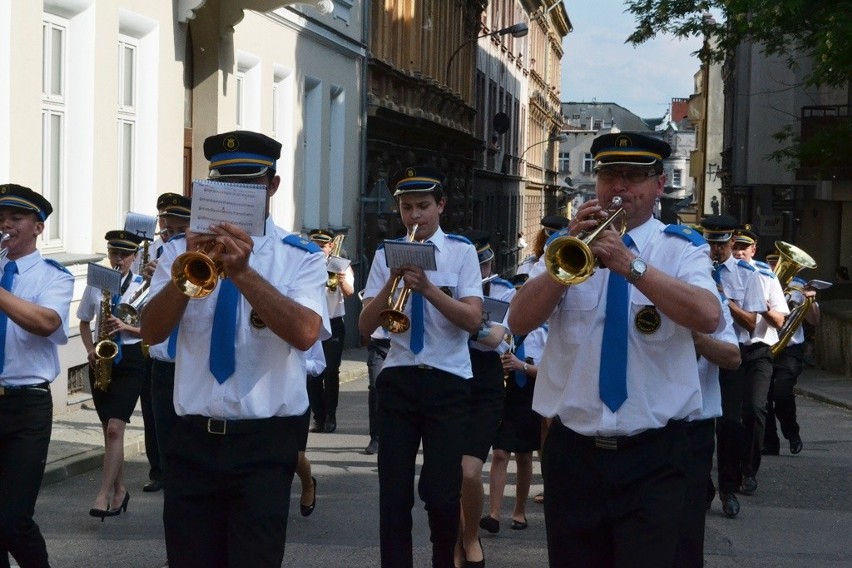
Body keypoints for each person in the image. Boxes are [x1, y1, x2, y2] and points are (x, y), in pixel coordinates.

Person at [509, 132, 721, 567]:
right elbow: (518, 322)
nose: (620, 186)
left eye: (634, 177)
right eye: (609, 174)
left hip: (655, 455)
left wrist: (631, 265)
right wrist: (562, 263)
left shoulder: (682, 248)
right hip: (575, 453)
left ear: (659, 185)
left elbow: (708, 316)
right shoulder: (563, 249)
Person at [141, 130, 330, 568]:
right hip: (190, 437)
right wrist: (183, 276)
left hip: (264, 442)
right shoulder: (177, 251)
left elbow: (306, 333)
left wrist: (244, 275)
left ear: (273, 187)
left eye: (249, 187)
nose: (235, 198)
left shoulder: (298, 255)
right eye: (225, 187)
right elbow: (150, 333)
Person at [358, 166, 482, 568]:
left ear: (441, 206)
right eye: (407, 208)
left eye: (424, 207)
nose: (415, 217)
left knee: (443, 494)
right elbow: (365, 326)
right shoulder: (384, 253)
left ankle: (445, 560)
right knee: (393, 492)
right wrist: (388, 283)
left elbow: (472, 321)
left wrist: (427, 288)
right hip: (399, 376)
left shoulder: (462, 252)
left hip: (448, 381)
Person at [0, 184, 73, 568]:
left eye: (15, 218)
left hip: (26, 405)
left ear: (38, 227)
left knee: (12, 518)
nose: (5, 225)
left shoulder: (52, 276)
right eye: (0, 219)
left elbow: (46, 323)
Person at [675, 257, 741, 567]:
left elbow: (732, 356)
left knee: (688, 523)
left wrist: (699, 338)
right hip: (651, 424)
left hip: (695, 427)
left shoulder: (715, 303)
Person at [700, 215, 767, 518]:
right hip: (700, 354)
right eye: (710, 243)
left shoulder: (746, 275)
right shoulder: (695, 268)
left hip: (732, 353)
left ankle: (729, 487)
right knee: (697, 424)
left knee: (729, 423)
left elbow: (752, 323)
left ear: (731, 242)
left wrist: (726, 300)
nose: (714, 250)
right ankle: (702, 489)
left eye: (720, 244)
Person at [78, 230, 147, 520]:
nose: (118, 259)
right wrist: (90, 348)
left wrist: (125, 328)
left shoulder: (145, 287)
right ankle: (120, 490)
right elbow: (84, 321)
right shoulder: (96, 283)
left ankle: (103, 494)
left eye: (124, 254)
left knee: (116, 429)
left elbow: (153, 330)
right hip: (101, 358)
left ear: (134, 256)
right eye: (113, 253)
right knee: (109, 429)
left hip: (131, 359)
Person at [456, 232, 513, 568]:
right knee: (448, 472)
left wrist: (466, 320)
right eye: (476, 266)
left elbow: (497, 339)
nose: (482, 270)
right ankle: (455, 539)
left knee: (470, 469)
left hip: (485, 380)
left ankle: (470, 534)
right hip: (451, 373)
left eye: (486, 264)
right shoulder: (449, 289)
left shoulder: (504, 291)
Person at [482, 278, 547, 536]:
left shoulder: (544, 332)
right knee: (500, 453)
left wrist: (522, 366)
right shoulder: (504, 327)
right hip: (504, 391)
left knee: (523, 456)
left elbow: (550, 373)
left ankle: (519, 510)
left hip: (529, 393)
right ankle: (494, 513)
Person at [731, 227, 789, 494]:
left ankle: (749, 470)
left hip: (758, 351)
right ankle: (728, 472)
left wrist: (762, 305)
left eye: (744, 247)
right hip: (729, 350)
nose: (739, 251)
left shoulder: (766, 276)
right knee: (729, 417)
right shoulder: (721, 275)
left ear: (753, 250)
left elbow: (779, 320)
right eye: (735, 246)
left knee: (754, 410)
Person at [142, 192, 192, 493]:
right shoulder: (160, 252)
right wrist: (152, 280)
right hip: (161, 357)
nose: (171, 236)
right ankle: (159, 470)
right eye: (166, 229)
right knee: (155, 420)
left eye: (178, 230)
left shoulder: (192, 252)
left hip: (187, 360)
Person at [764, 254, 820, 456]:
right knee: (763, 397)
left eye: (779, 262)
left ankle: (792, 433)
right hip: (765, 344)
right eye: (773, 263)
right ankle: (769, 442)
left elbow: (814, 321)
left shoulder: (799, 286)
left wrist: (811, 301)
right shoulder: (762, 280)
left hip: (790, 348)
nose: (776, 266)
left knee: (782, 394)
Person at [307, 228, 355, 433]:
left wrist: (341, 277)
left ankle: (330, 417)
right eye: (314, 245)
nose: (318, 249)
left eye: (322, 246)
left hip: (334, 324)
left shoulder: (341, 265)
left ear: (330, 247)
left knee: (330, 372)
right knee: (312, 374)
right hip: (312, 323)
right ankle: (318, 417)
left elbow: (350, 293)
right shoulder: (305, 264)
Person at [297, 340, 326, 517]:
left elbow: (319, 364)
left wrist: (297, 364)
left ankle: (308, 484)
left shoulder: (305, 318)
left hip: (295, 395)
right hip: (260, 397)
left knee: (295, 455)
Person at [363, 324, 389, 455]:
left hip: (401, 346)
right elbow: (364, 325)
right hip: (379, 344)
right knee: (375, 387)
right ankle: (375, 438)